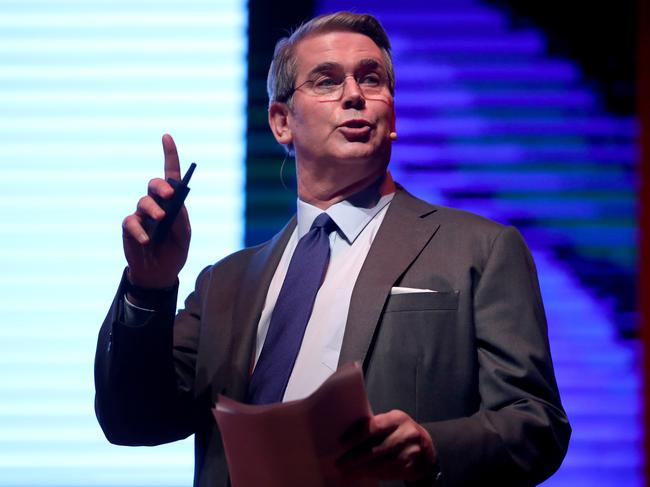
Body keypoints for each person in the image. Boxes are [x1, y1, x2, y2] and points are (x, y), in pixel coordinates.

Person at [95, 11, 570, 487]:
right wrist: (148, 286)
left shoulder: (479, 249)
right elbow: (133, 419)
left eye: (371, 79)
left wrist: (432, 447)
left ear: (393, 115)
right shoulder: (226, 282)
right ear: (282, 122)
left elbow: (535, 423)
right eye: (326, 81)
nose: (354, 95)